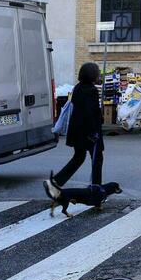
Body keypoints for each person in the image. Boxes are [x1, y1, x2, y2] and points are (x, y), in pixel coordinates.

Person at [45, 62, 106, 197]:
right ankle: (96, 191)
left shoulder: (78, 88)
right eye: (97, 72)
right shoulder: (91, 90)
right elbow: (90, 112)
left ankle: (55, 182)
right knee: (97, 158)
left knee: (79, 157)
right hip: (89, 132)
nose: (98, 74)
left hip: (77, 130)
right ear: (92, 75)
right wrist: (94, 131)